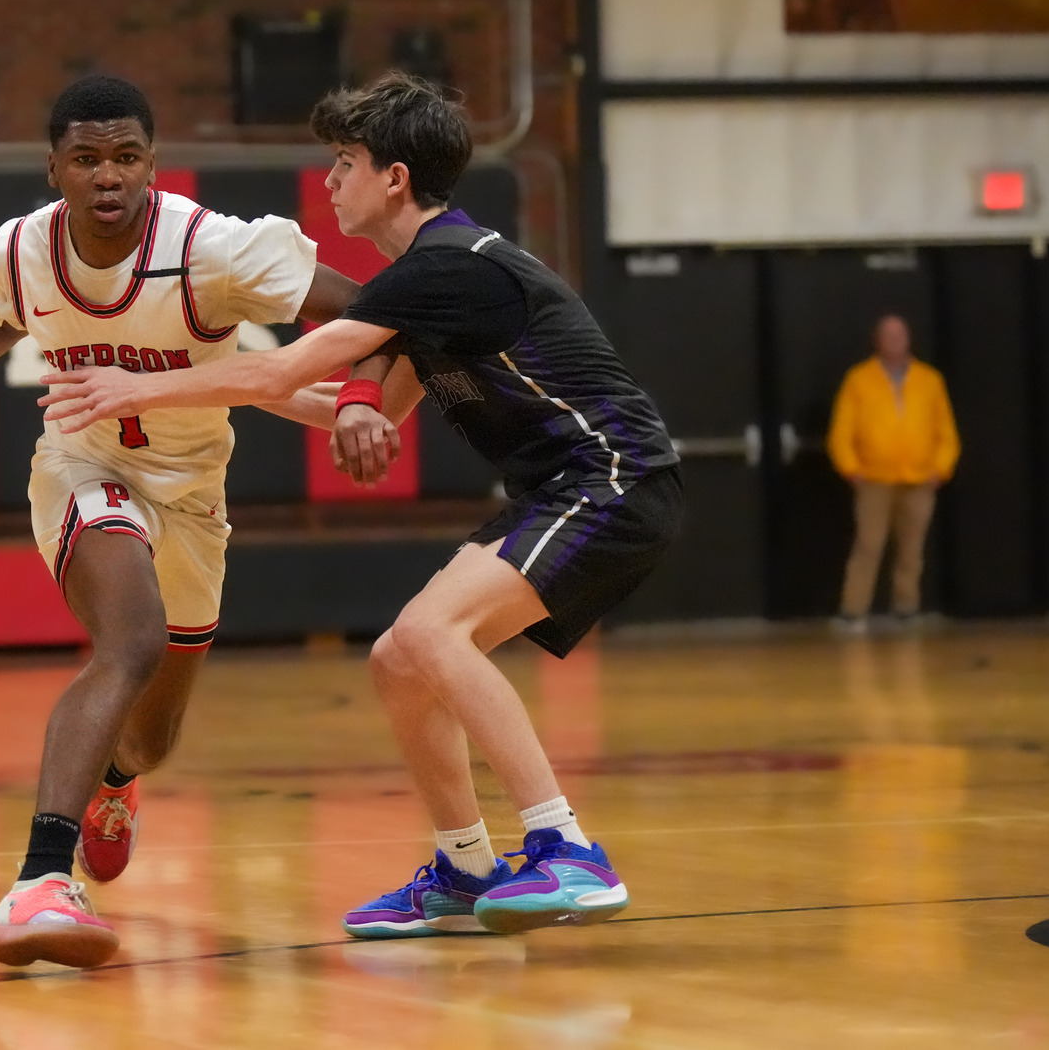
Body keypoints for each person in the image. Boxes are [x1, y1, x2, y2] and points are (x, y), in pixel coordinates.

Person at [39, 72, 683, 937]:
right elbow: (337, 399)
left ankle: (566, 849)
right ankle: (464, 866)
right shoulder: (427, 281)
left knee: (428, 637)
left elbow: (277, 369)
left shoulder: (447, 265)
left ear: (395, 179)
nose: (329, 180)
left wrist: (130, 386)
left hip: (610, 478)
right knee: (397, 660)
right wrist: (341, 410)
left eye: (345, 162)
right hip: (566, 489)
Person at [0, 75, 362, 968]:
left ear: (151, 161)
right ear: (56, 167)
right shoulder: (23, 248)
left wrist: (361, 400)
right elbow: (0, 314)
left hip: (191, 487)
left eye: (127, 156)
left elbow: (364, 312)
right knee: (130, 642)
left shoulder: (215, 249)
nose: (109, 175)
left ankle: (115, 779)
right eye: (87, 158)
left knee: (152, 735)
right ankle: (39, 879)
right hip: (82, 465)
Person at [827, 313, 960, 632]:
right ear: (878, 341)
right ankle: (853, 612)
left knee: (911, 549)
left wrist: (940, 468)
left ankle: (906, 610)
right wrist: (851, 467)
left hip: (919, 479)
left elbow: (947, 433)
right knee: (869, 545)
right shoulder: (859, 380)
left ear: (909, 340)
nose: (894, 342)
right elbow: (841, 431)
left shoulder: (930, 381)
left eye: (900, 336)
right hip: (874, 478)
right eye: (888, 336)